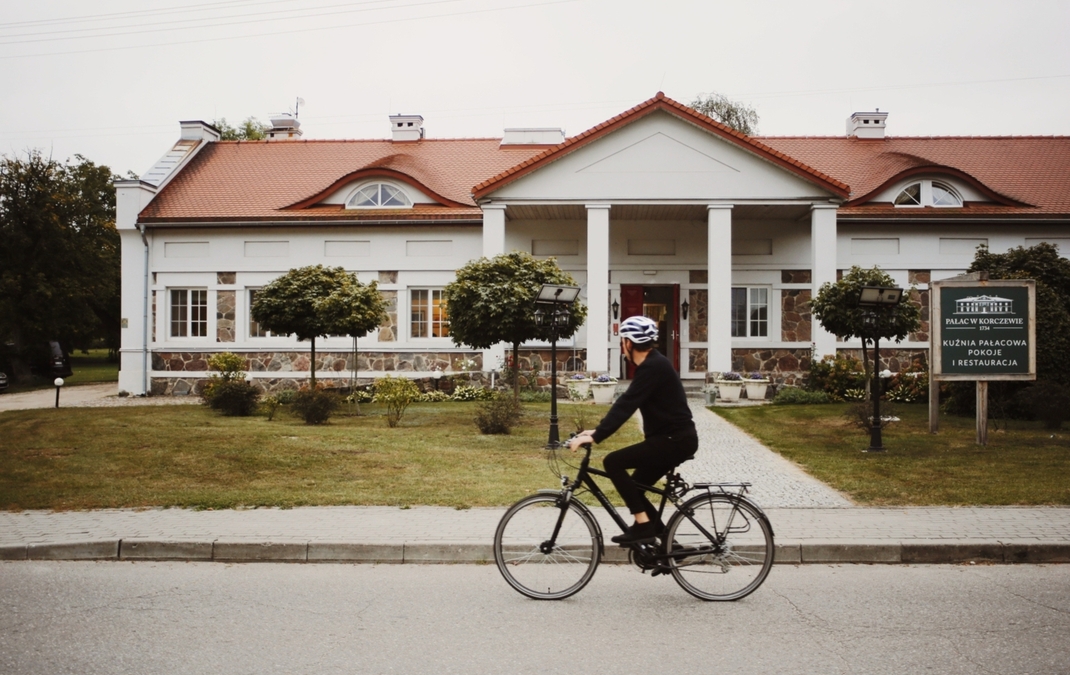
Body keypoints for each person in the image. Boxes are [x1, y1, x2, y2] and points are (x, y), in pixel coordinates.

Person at [568, 315, 698, 545]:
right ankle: (668, 544)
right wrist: (595, 431)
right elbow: (626, 404)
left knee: (613, 462)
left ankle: (644, 526)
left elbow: (626, 404)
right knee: (635, 487)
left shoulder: (653, 366)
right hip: (673, 439)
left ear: (629, 343)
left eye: (622, 341)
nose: (622, 347)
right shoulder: (655, 364)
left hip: (674, 440)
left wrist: (597, 436)